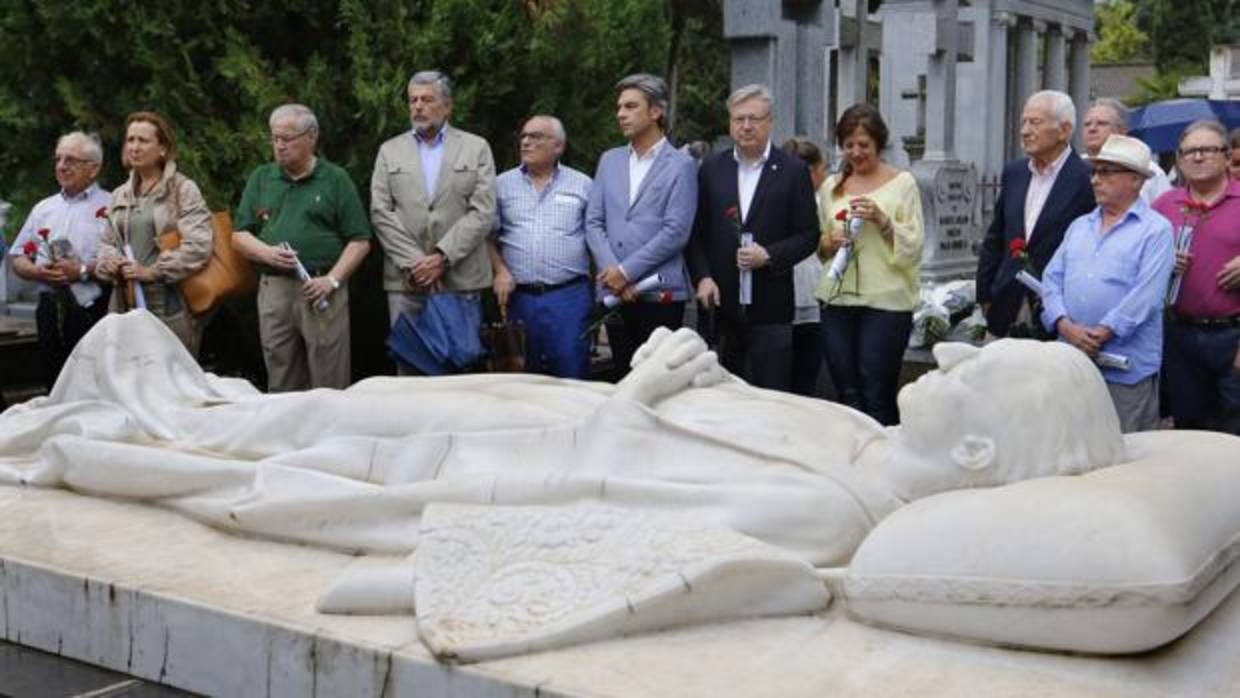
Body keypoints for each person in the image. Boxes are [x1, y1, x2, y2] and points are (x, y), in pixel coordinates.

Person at [0, 309, 1124, 572]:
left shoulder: (828, 511)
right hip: (533, 414)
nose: (957, 359)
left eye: (976, 377)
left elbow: (600, 511)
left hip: (474, 465)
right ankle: (131, 391)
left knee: (290, 420)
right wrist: (693, 368)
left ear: (977, 457)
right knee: (363, 384)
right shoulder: (851, 431)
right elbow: (721, 403)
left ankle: (105, 411)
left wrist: (636, 388)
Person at [231, 104, 372, 391]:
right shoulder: (262, 178)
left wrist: (331, 280)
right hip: (275, 288)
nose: (279, 146)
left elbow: (359, 241)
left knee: (328, 374)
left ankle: (330, 433)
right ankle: (285, 434)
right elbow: (238, 235)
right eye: (275, 138)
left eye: (287, 138)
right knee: (280, 371)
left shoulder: (335, 179)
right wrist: (267, 253)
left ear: (311, 137)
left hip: (320, 288)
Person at [687, 85, 818, 391]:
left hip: (770, 306)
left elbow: (809, 235)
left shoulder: (793, 171)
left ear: (770, 121)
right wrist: (703, 278)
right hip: (720, 306)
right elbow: (696, 233)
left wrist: (770, 255)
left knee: (770, 396)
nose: (746, 126)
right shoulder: (712, 169)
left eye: (754, 119)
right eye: (738, 119)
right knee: (722, 397)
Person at [1040, 135, 1174, 432]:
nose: (1095, 180)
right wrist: (1064, 325)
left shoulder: (1156, 230)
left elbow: (1147, 296)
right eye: (1095, 171)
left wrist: (1100, 333)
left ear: (1136, 181)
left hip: (1124, 367)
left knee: (1125, 452)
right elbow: (1051, 279)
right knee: (1071, 442)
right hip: (1072, 361)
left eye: (1106, 172)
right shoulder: (1080, 226)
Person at [371, 70, 496, 372]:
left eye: (427, 99)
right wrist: (418, 264)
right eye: (413, 100)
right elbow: (380, 212)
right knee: (410, 368)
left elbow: (483, 211)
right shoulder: (390, 150)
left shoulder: (475, 147)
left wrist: (441, 257)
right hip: (407, 281)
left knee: (461, 369)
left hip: (461, 279)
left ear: (448, 106)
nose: (418, 107)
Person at [814, 104, 924, 425]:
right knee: (846, 392)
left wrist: (882, 220)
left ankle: (885, 459)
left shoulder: (903, 184)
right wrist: (829, 243)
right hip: (837, 298)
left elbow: (914, 244)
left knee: (877, 390)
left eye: (864, 145)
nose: (856, 152)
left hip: (886, 303)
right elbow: (820, 246)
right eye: (849, 145)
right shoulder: (829, 187)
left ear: (879, 143)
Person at [585, 73, 698, 379]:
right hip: (614, 293)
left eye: (631, 106)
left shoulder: (680, 165)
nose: (621, 114)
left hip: (659, 293)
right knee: (622, 377)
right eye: (619, 107)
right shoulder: (609, 160)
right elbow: (593, 221)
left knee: (656, 382)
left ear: (656, 111)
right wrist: (613, 273)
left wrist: (626, 272)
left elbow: (676, 232)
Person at [976, 90, 1095, 339]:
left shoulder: (1086, 179)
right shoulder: (1015, 173)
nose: (1025, 131)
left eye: (1035, 122)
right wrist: (985, 295)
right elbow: (996, 236)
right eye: (1023, 122)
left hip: (1058, 314)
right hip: (1004, 307)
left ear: (1063, 130)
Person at [95, 111, 212, 357]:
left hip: (171, 304)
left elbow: (199, 246)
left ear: (162, 148)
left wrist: (152, 272)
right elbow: (107, 242)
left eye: (143, 140)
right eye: (130, 140)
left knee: (173, 383)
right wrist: (110, 262)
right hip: (125, 304)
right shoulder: (120, 194)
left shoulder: (183, 189)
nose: (134, 147)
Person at [489, 115, 593, 378]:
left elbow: (597, 236)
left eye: (536, 136)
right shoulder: (501, 185)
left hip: (569, 296)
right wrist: (500, 270)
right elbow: (486, 236)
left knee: (573, 374)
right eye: (524, 136)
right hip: (518, 299)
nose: (526, 142)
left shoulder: (583, 184)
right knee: (521, 380)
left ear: (558, 146)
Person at [1152, 120, 1240, 433]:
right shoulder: (1163, 206)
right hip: (1180, 335)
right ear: (1178, 160)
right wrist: (1161, 261)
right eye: (1189, 151)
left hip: (1233, 336)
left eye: (1207, 150)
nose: (1197, 157)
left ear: (1227, 157)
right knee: (1189, 429)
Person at [7, 132, 111, 387]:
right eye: (58, 159)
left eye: (71, 160)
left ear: (93, 168)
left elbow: (123, 260)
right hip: (49, 305)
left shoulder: (112, 205)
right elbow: (17, 255)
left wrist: (82, 270)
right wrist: (37, 272)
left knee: (90, 382)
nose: (61, 166)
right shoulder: (44, 208)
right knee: (52, 379)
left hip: (94, 305)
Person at [781, 136, 829, 396]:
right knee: (804, 373)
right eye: (823, 169)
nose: (825, 176)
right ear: (809, 171)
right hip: (809, 291)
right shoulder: (819, 202)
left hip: (792, 291)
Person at [1081, 98, 1173, 203]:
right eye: (1087, 124)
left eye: (1102, 123)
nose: (1092, 128)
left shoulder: (1147, 170)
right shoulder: (1074, 167)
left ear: (1122, 131)